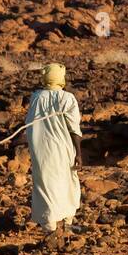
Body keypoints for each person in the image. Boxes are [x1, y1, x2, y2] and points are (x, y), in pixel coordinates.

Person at [26, 63, 83, 239]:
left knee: (45, 185)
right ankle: (67, 224)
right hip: (63, 148)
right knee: (67, 182)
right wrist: (79, 153)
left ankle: (49, 228)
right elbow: (74, 128)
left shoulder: (36, 97)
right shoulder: (67, 98)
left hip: (41, 149)